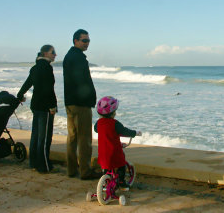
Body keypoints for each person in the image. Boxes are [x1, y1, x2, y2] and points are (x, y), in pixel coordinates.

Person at [63, 29, 99, 179]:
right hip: (80, 104)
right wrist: (90, 98)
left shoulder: (69, 56)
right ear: (75, 41)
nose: (87, 43)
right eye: (84, 40)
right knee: (84, 138)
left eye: (88, 40)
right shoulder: (78, 58)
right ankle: (85, 171)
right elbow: (82, 82)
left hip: (71, 102)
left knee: (72, 137)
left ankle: (71, 169)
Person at [17, 44, 57, 173]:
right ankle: (44, 166)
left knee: (35, 135)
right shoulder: (46, 68)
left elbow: (28, 83)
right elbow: (48, 89)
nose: (55, 54)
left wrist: (20, 94)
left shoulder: (35, 68)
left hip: (35, 105)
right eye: (53, 52)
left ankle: (33, 163)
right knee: (44, 137)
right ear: (45, 53)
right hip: (45, 106)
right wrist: (52, 106)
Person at [94, 96, 141, 191]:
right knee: (121, 163)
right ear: (113, 113)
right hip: (114, 152)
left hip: (103, 152)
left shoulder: (98, 123)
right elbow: (125, 131)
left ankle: (105, 181)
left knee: (106, 167)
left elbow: (96, 130)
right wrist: (135, 133)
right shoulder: (115, 124)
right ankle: (121, 182)